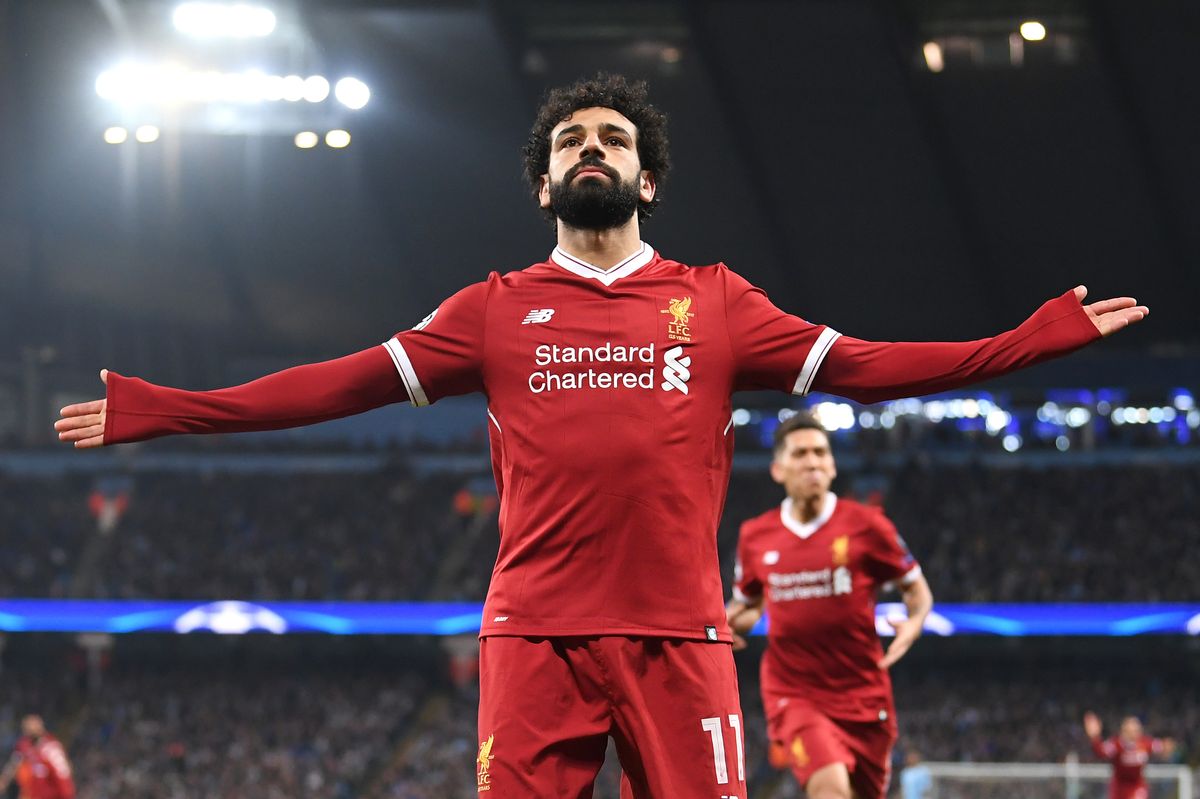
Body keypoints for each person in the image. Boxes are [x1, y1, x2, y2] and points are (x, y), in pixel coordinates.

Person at [55, 73, 1148, 798]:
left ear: (647, 176)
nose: (594, 148)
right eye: (572, 140)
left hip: (680, 637)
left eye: (614, 138)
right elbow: (337, 385)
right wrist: (170, 408)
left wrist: (1026, 342)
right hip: (535, 636)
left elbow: (868, 367)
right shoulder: (490, 308)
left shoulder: (715, 300)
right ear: (544, 181)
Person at [725, 412, 932, 799]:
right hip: (795, 692)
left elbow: (917, 590)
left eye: (820, 452)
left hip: (864, 696)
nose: (812, 462)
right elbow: (750, 604)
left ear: (833, 465)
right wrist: (729, 623)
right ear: (778, 469)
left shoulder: (868, 526)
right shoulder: (756, 536)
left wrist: (915, 621)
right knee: (830, 789)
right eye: (800, 454)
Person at [1084, 711, 1175, 799]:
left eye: (1137, 729)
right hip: (1119, 787)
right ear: (1124, 730)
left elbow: (1163, 748)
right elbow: (1101, 752)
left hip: (1137, 786)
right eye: (1132, 730)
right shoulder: (1116, 744)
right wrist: (1095, 737)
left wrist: (1168, 746)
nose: (1135, 732)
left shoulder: (1145, 743)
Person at [0, 716, 75, 799]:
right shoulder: (24, 745)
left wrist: (66, 794)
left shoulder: (51, 748)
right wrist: (4, 780)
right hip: (34, 793)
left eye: (31, 728)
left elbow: (63, 773)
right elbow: (14, 763)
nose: (28, 731)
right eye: (26, 729)